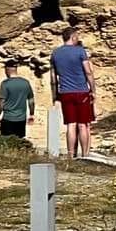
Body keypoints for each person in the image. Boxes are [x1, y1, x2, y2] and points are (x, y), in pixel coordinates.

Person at [50, 24, 96, 160]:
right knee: (83, 124)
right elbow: (88, 72)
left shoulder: (55, 53)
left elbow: (53, 78)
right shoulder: (80, 51)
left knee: (71, 124)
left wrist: (55, 95)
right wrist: (93, 90)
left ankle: (71, 155)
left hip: (65, 92)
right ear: (73, 36)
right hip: (81, 91)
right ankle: (85, 155)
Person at [0, 61, 35, 139]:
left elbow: (1, 102)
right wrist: (32, 114)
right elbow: (31, 100)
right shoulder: (25, 83)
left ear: (7, 69)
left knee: (6, 142)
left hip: (8, 118)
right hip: (21, 119)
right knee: (19, 142)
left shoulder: (5, 84)